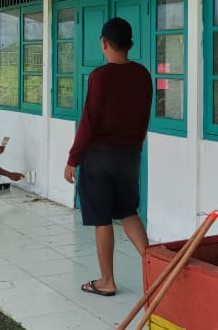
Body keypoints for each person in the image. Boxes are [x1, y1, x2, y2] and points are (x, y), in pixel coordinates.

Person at [65, 17, 153, 297]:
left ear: (103, 43)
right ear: (131, 44)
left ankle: (106, 281)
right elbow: (144, 116)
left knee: (102, 219)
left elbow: (88, 121)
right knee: (128, 212)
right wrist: (135, 147)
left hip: (99, 158)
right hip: (129, 156)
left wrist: (73, 159)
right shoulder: (142, 74)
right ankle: (158, 272)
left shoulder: (100, 76)